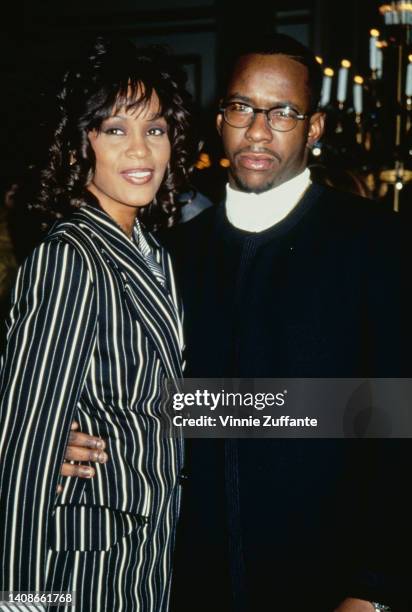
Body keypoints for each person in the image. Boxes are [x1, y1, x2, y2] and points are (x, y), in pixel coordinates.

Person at [60, 34, 409, 612]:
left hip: (329, 582)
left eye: (284, 113)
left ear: (314, 127)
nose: (257, 131)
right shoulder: (168, 254)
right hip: (186, 577)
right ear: (219, 118)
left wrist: (376, 588)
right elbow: (147, 397)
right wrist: (62, 436)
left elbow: (400, 420)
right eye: (242, 107)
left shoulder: (377, 243)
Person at [0, 36, 195, 612]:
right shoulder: (71, 256)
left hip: (149, 554)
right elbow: (27, 454)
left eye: (154, 130)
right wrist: (23, 602)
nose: (141, 151)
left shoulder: (155, 253)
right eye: (116, 129)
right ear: (77, 143)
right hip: (84, 567)